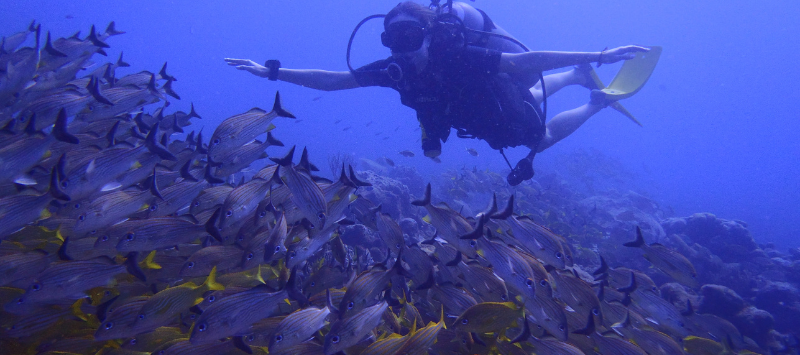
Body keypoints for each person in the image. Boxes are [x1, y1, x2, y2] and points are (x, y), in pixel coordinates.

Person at [225, 1, 650, 185]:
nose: (402, 49)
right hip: (470, 110)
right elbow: (334, 80)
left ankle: (595, 100)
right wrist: (272, 73)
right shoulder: (394, 70)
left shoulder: (460, 56)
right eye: (393, 39)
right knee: (527, 100)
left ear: (428, 34)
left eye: (410, 36)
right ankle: (577, 77)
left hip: (494, 98)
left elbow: (523, 63)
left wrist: (600, 54)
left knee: (538, 138)